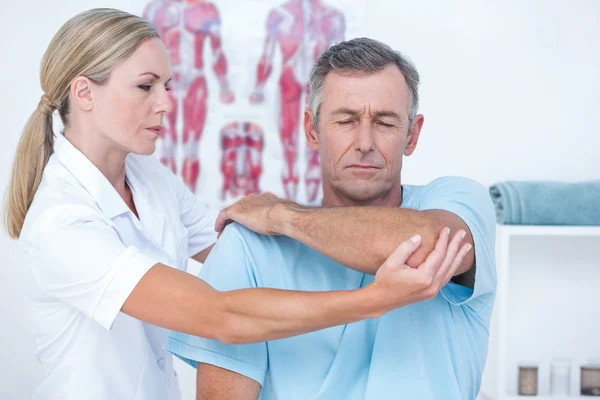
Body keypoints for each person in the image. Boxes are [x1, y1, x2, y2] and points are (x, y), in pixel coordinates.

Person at [4, 10, 469, 400]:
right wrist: (372, 299)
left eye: (169, 84)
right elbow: (220, 315)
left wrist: (281, 218)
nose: (168, 103)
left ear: (412, 132)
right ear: (84, 93)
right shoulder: (62, 222)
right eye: (146, 87)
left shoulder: (150, 180)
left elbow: (244, 248)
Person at [166, 37, 496, 400]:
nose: (365, 142)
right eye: (346, 121)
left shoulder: (461, 202)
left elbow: (425, 248)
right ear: (312, 130)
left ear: (412, 135)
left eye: (385, 123)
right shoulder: (248, 246)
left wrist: (282, 215)